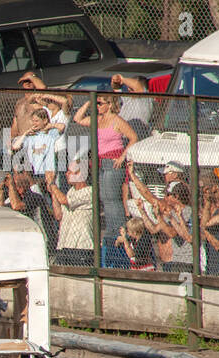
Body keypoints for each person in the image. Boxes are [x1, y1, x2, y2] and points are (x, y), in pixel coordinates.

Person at [74, 95, 137, 269]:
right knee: (103, 197)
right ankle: (111, 230)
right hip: (99, 161)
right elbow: (77, 119)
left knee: (111, 198)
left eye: (100, 103)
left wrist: (122, 157)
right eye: (97, 103)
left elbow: (133, 137)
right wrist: (88, 102)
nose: (98, 106)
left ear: (109, 105)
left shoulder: (116, 120)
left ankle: (117, 231)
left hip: (112, 161)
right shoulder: (96, 119)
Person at [0, 171, 57, 256]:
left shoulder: (35, 197)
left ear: (20, 188)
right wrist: (0, 189)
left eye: (13, 188)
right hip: (27, 240)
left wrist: (11, 184)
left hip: (42, 240)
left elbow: (16, 206)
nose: (10, 191)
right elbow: (0, 209)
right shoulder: (15, 199)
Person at [48, 164, 95, 267]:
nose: (66, 174)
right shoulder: (71, 191)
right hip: (65, 244)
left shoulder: (89, 191)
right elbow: (58, 215)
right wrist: (53, 192)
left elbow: (64, 200)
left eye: (70, 172)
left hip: (81, 246)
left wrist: (52, 184)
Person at [11, 107, 59, 187]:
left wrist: (48, 126)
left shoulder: (51, 133)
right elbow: (15, 146)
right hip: (33, 173)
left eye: (36, 121)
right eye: (33, 121)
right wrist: (26, 133)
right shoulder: (30, 136)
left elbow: (61, 127)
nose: (34, 123)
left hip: (46, 172)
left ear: (45, 120)